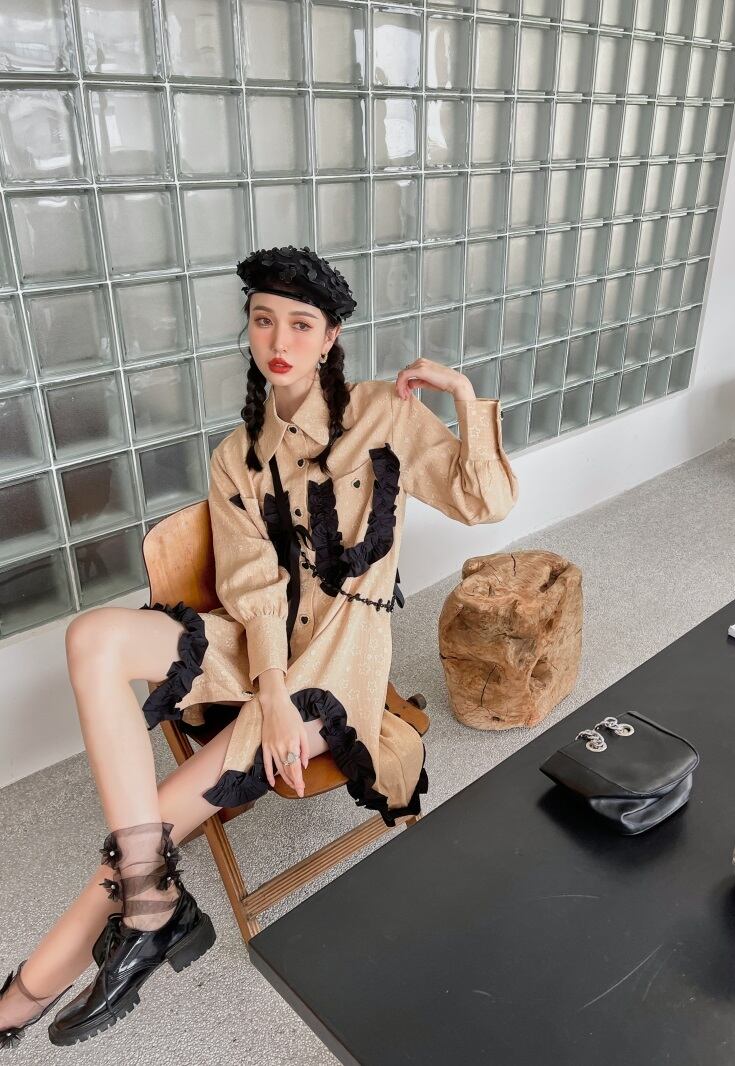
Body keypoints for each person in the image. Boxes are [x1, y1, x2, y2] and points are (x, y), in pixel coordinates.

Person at [0, 245, 519, 1050]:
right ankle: (151, 910)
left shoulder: (383, 413)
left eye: (301, 324)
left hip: (339, 664)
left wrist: (463, 399)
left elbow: (486, 503)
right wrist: (270, 689)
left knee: (156, 822)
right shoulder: (235, 455)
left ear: (331, 337)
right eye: (264, 319)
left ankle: (20, 1000)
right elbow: (252, 587)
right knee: (91, 636)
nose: (280, 339)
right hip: (261, 646)